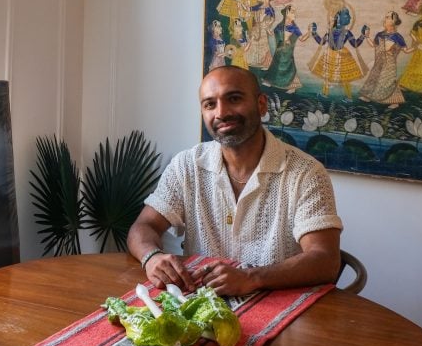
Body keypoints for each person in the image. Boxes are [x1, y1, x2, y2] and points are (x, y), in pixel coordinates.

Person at [127, 66, 343, 297]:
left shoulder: (306, 173)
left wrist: (252, 278)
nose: (222, 112)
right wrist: (152, 258)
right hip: (202, 305)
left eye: (234, 98)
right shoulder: (186, 166)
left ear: (261, 104)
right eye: (210, 104)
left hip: (279, 308)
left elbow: (325, 260)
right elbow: (143, 227)